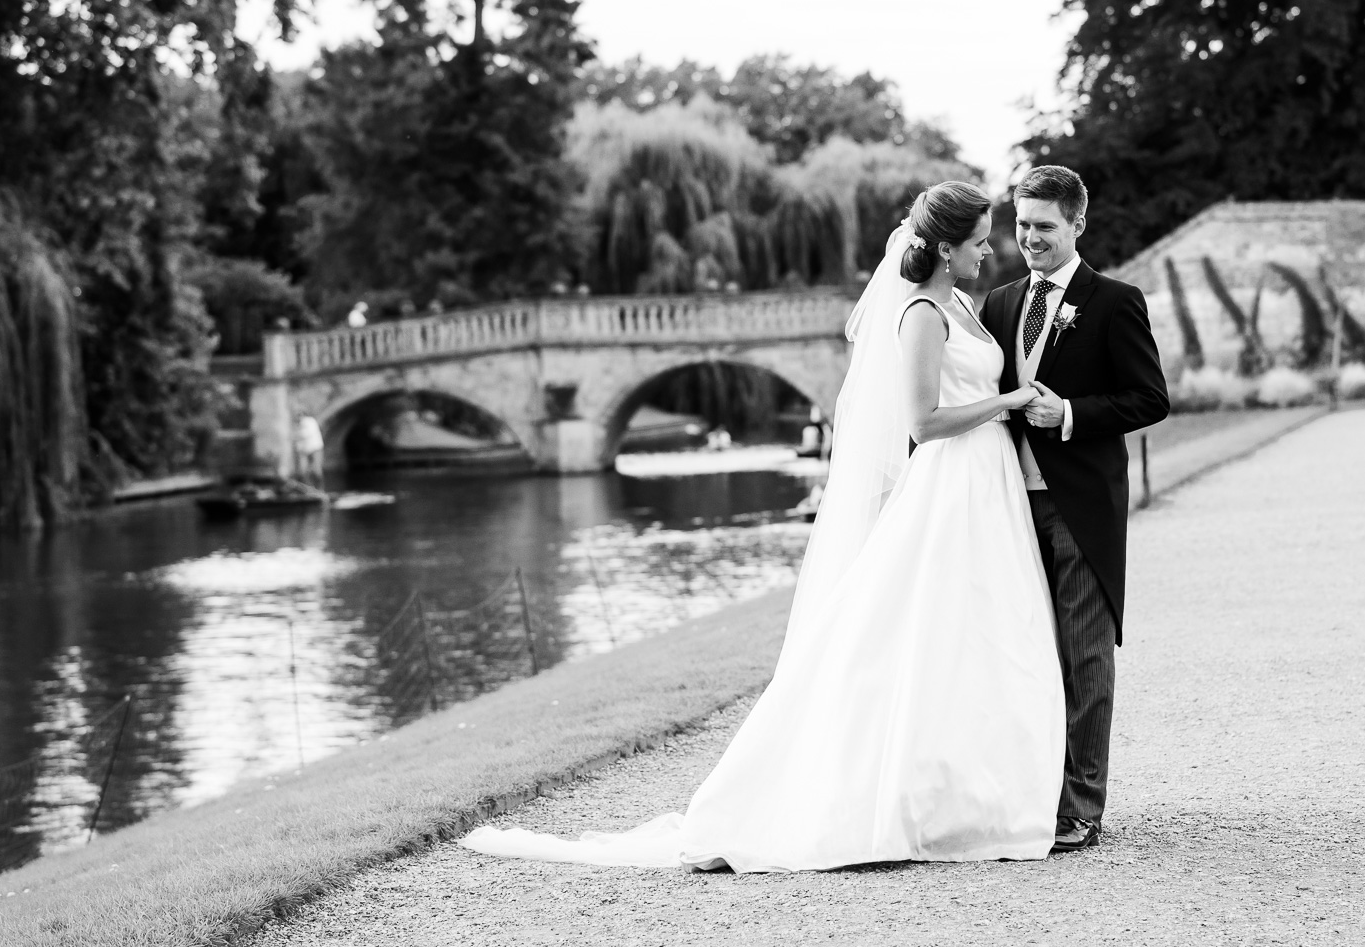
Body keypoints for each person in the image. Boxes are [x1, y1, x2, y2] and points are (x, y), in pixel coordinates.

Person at [461, 181, 1066, 871]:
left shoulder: (960, 302)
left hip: (987, 487)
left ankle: (977, 791)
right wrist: (1010, 401)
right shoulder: (923, 312)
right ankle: (901, 799)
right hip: (952, 484)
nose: (990, 252)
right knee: (921, 635)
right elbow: (922, 423)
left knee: (981, 636)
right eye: (980, 241)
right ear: (947, 247)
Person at [977, 165, 1169, 852]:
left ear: (1078, 224)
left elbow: (1150, 399)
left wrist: (1073, 414)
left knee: (1084, 656)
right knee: (1022, 654)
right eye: (1022, 225)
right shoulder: (998, 303)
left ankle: (1080, 808)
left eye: (1044, 227)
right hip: (1007, 505)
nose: (1029, 238)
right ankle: (1029, 793)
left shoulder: (1115, 302)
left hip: (1081, 505)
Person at [293, 413, 325, 489]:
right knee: (302, 471)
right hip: (304, 451)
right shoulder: (297, 425)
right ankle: (306, 490)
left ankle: (320, 490)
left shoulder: (309, 421)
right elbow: (298, 442)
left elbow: (306, 434)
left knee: (317, 471)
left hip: (315, 448)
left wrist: (295, 435)